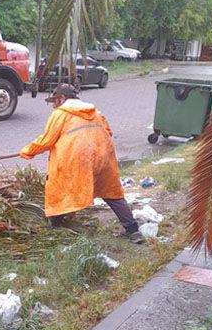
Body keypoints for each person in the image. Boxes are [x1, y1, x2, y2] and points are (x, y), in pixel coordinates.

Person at [19, 82, 144, 243]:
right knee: (111, 192)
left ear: (62, 98)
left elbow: (46, 141)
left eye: (55, 101)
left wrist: (27, 151)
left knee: (58, 187)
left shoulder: (61, 114)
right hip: (103, 156)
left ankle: (55, 225)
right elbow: (108, 132)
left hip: (77, 159)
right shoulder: (96, 112)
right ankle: (133, 231)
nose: (53, 106)